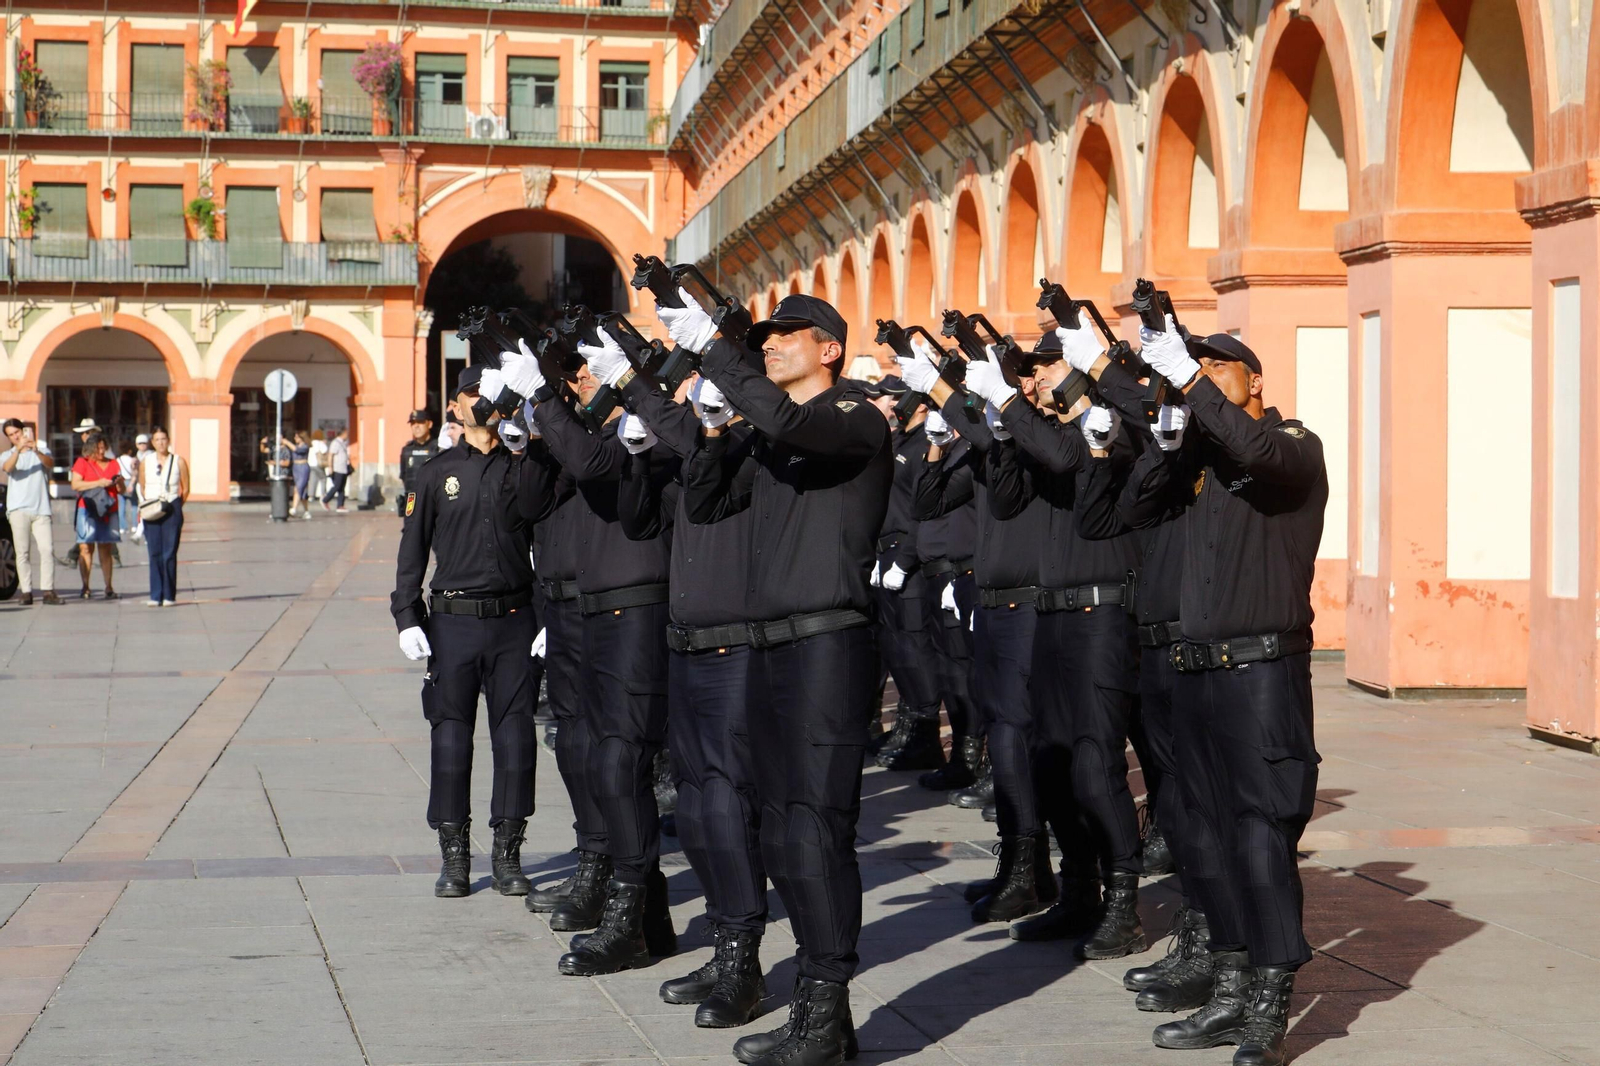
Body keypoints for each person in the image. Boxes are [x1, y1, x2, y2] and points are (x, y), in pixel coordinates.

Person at [663, 291, 891, 1066]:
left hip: (829, 644)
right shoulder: (770, 434)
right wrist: (714, 430)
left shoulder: (855, 416)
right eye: (764, 338)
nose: (771, 344)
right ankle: (821, 1014)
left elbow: (797, 425)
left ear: (830, 349)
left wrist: (718, 356)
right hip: (769, 648)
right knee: (783, 830)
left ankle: (824, 1014)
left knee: (817, 828)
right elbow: (705, 501)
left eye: (789, 335)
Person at [1122, 324, 1326, 1066]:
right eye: (1195, 365)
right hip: (1195, 672)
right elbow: (1130, 513)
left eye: (1217, 366)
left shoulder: (1294, 444)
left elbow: (1258, 452)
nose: (1203, 375)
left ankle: (1270, 1002)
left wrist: (1192, 384)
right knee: (1199, 831)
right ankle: (1231, 983)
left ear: (1255, 380)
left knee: (1260, 835)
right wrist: (1165, 444)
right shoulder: (1199, 461)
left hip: (1260, 674)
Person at [900, 336, 1091, 929]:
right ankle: (1022, 864)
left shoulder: (1054, 435)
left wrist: (948, 393)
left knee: (1030, 744)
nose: (1029, 385)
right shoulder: (1002, 435)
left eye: (1036, 374)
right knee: (1007, 738)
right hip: (995, 603)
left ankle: (1046, 871)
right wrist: (940, 440)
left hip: (1036, 604)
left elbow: (1034, 452)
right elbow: (930, 501)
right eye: (1020, 377)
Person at [506, 337, 680, 977]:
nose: (581, 377)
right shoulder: (595, 430)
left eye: (590, 366)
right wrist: (532, 432)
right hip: (591, 605)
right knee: (594, 753)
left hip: (638, 606)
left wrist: (544, 399)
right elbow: (534, 503)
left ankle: (629, 904)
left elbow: (592, 463)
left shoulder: (653, 427)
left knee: (622, 759)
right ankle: (640, 906)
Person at [609, 347, 771, 1025]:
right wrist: (637, 457)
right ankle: (724, 937)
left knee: (729, 804)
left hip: (738, 644)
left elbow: (710, 479)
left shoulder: (760, 445)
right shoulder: (699, 446)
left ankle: (744, 960)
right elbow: (639, 521)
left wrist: (645, 393)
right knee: (698, 809)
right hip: (686, 642)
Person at [391, 363, 539, 900]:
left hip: (515, 621)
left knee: (516, 739)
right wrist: (407, 615)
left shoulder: (524, 462)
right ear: (454, 407)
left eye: (489, 392)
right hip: (453, 623)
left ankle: (508, 853)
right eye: (472, 393)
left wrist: (548, 616)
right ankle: (454, 855)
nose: (482, 400)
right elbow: (412, 548)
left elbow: (547, 539)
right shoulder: (435, 473)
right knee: (451, 738)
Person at [1, 418, 61, 605]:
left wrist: (35, 450)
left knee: (47, 549)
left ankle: (48, 590)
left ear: (23, 430)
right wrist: (18, 450)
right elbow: (7, 468)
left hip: (41, 509)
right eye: (11, 435)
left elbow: (49, 463)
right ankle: (26, 592)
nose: (15, 436)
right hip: (18, 510)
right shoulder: (8, 454)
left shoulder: (41, 450)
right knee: (22, 552)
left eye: (17, 432)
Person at [138, 428, 189, 607]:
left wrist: (176, 505)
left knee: (169, 552)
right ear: (152, 442)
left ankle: (169, 595)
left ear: (168, 440)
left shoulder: (179, 461)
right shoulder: (146, 462)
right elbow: (142, 486)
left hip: (172, 506)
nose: (160, 443)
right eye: (157, 439)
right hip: (152, 507)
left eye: (163, 439)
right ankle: (155, 594)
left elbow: (186, 488)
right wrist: (149, 502)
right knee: (154, 552)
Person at [70, 433, 123, 599]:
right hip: (87, 508)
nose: (101, 451)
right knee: (86, 547)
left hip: (109, 508)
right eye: (97, 448)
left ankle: (108, 586)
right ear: (90, 448)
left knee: (106, 547)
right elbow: (75, 485)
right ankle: (85, 586)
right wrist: (98, 483)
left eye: (103, 448)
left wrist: (120, 482)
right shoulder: (82, 462)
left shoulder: (113, 463)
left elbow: (121, 490)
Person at [399, 411, 438, 518]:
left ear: (429, 424)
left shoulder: (437, 449)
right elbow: (403, 475)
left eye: (420, 422)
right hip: (411, 500)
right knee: (410, 526)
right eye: (413, 423)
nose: (416, 426)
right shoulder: (407, 450)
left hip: (432, 500)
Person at [323, 427, 350, 512]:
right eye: (347, 433)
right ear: (343, 433)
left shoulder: (343, 443)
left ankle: (340, 505)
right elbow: (331, 455)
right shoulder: (335, 443)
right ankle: (325, 499)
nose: (348, 435)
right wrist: (330, 467)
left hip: (343, 468)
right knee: (337, 486)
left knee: (342, 488)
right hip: (337, 468)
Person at [289, 432, 313, 519]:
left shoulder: (305, 446)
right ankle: (306, 511)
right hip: (296, 468)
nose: (295, 439)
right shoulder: (296, 445)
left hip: (303, 467)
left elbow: (297, 450)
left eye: (297, 437)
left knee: (298, 488)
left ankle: (294, 508)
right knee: (302, 491)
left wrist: (287, 442)